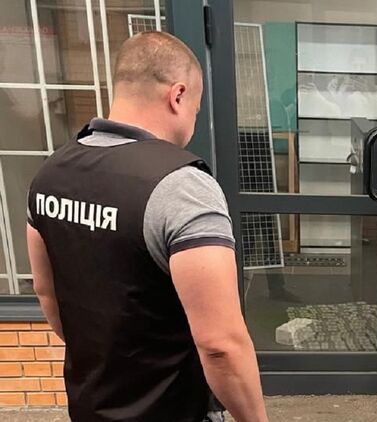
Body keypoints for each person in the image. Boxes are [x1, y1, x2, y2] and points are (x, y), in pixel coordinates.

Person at [26, 32, 268, 422]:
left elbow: (46, 291)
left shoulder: (51, 174)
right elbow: (220, 345)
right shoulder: (181, 186)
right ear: (178, 96)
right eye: (195, 110)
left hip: (92, 406)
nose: (192, 124)